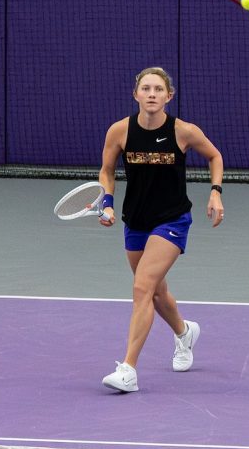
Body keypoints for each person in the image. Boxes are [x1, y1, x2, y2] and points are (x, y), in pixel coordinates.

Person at [96, 67, 225, 393]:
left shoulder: (183, 131)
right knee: (155, 291)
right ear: (136, 94)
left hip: (172, 220)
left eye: (158, 89)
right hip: (135, 221)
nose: (151, 94)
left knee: (141, 287)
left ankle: (128, 369)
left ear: (169, 96)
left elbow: (214, 156)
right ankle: (184, 333)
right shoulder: (119, 132)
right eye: (146, 88)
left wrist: (215, 191)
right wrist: (107, 201)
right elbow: (106, 170)